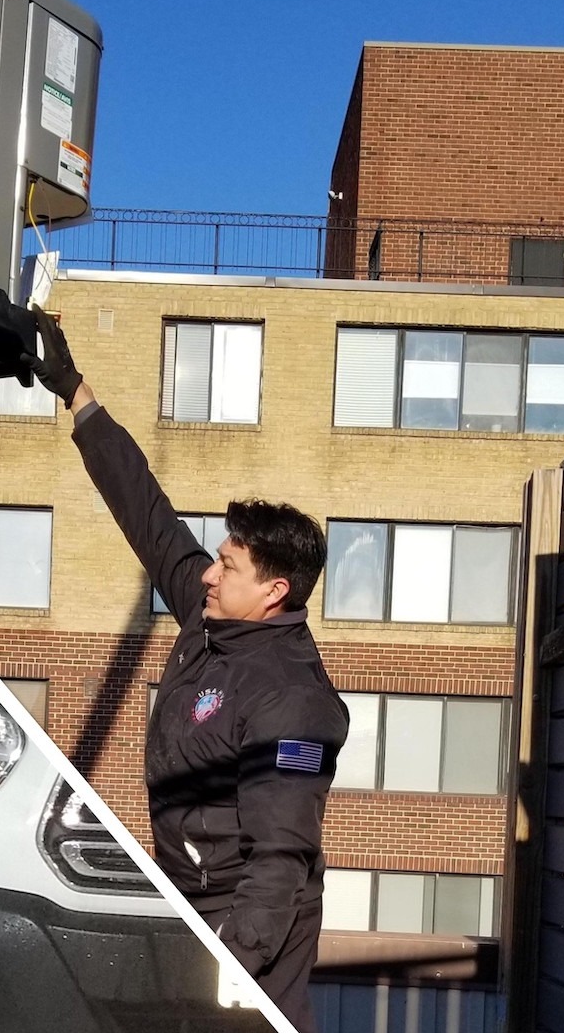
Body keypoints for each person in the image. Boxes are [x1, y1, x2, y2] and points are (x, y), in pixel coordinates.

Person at [25, 310, 347, 1030]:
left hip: (248, 927)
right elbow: (148, 513)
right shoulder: (215, 618)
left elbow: (283, 855)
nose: (207, 575)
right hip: (186, 895)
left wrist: (232, 961)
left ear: (275, 592)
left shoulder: (292, 702)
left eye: (228, 566)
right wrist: (77, 393)